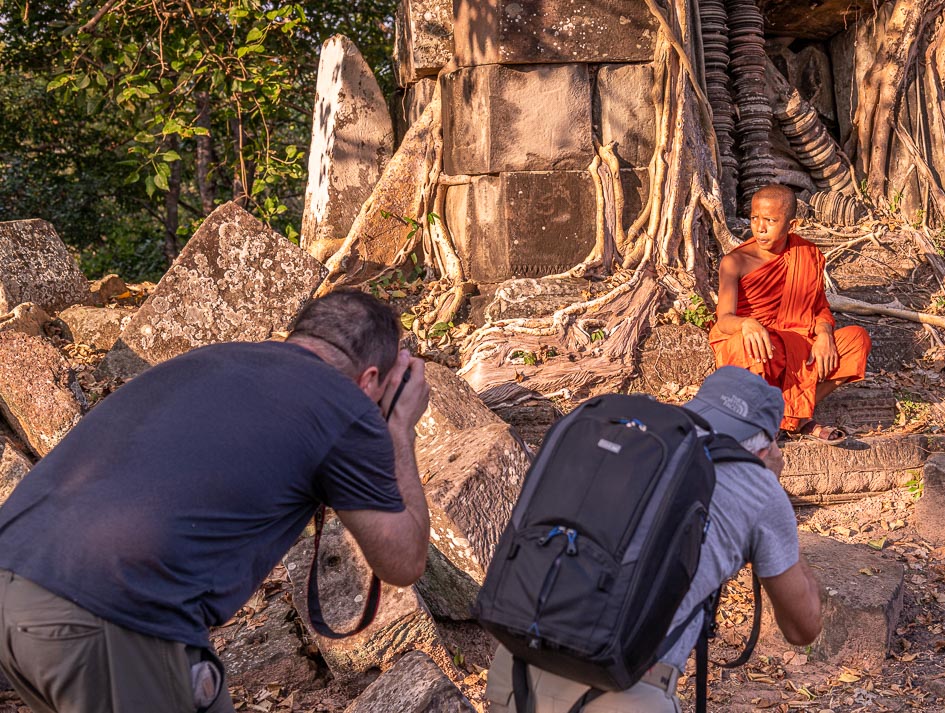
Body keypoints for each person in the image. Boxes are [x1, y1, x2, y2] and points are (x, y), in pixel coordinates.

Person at [0, 290, 430, 713]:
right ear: (371, 379)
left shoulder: (211, 360)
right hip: (112, 608)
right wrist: (398, 431)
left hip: (16, 580)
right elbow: (402, 561)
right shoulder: (343, 404)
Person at [485, 366, 822, 712]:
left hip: (517, 667)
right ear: (766, 447)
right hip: (622, 692)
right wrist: (772, 490)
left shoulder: (628, 442)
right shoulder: (758, 487)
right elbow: (803, 626)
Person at [709, 184, 871, 444]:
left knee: (856, 340)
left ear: (792, 225)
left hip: (799, 343)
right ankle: (796, 421)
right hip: (761, 346)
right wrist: (747, 324)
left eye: (770, 221)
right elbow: (724, 320)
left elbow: (818, 306)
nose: (760, 227)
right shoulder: (735, 262)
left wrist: (825, 334)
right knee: (745, 345)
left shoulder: (807, 254)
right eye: (754, 218)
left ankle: (786, 416)